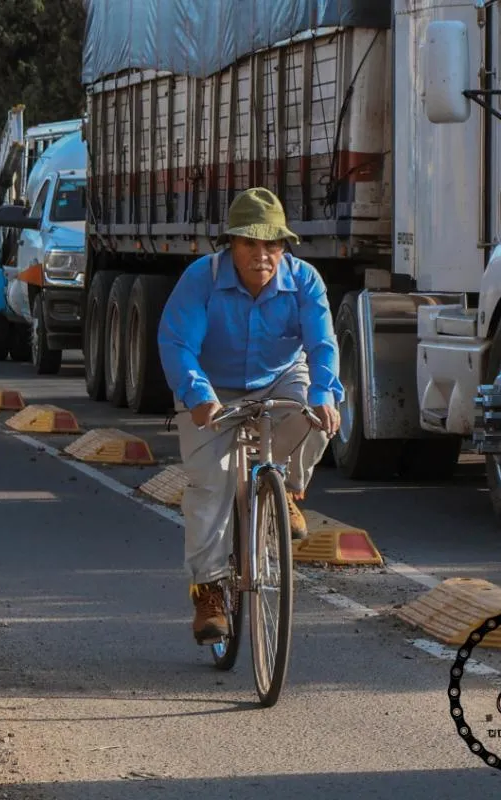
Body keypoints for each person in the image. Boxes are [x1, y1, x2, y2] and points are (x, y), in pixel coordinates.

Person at [158, 187, 344, 645]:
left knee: (316, 416)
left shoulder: (304, 280)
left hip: (280, 377)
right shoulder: (202, 278)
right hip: (211, 386)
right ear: (231, 244)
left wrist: (324, 393)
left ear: (284, 248)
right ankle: (209, 591)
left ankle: (287, 489)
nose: (263, 255)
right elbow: (178, 343)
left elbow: (321, 345)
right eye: (250, 244)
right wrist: (198, 395)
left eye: (272, 245)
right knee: (212, 484)